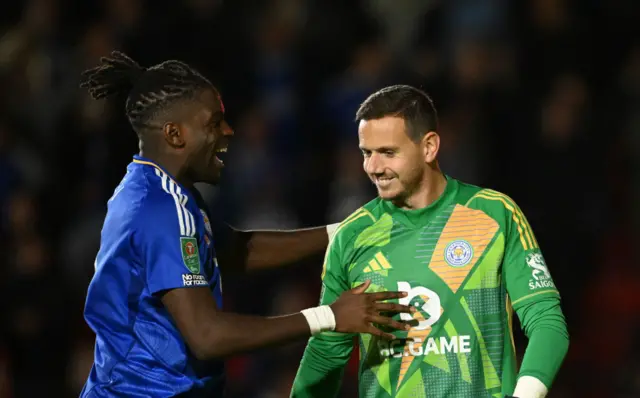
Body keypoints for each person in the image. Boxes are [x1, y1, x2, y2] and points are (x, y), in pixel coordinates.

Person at [78, 51, 415, 398]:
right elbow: (208, 336)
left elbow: (237, 250)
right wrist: (329, 316)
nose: (228, 131)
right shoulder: (160, 209)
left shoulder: (163, 191)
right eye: (213, 123)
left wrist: (348, 232)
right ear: (175, 134)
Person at [291, 85, 569, 398]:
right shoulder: (352, 237)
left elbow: (546, 323)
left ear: (429, 147)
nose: (373, 167)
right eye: (366, 153)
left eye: (388, 153)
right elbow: (327, 352)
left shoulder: (493, 215)